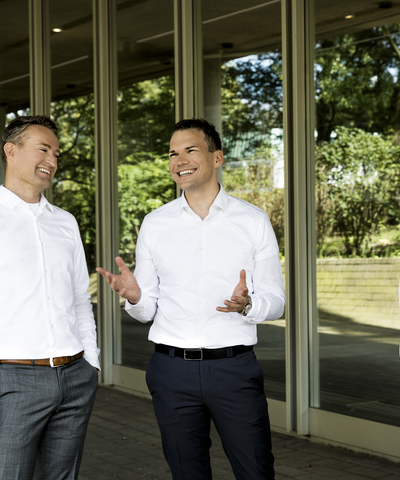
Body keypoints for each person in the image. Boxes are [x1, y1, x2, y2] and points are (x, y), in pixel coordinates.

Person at [97, 118, 286, 480]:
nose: (179, 160)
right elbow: (147, 309)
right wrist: (135, 297)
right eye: (173, 153)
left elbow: (276, 301)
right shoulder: (155, 223)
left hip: (233, 369)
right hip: (171, 372)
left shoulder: (253, 221)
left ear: (217, 158)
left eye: (190, 150)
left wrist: (247, 305)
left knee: (256, 471)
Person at [0, 115, 100, 479]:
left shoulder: (65, 222)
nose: (52, 161)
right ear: (11, 151)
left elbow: (79, 298)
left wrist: (92, 362)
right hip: (12, 376)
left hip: (74, 375)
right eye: (43, 150)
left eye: (56, 154)